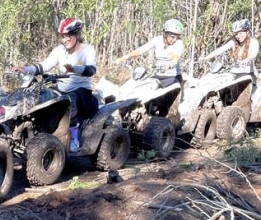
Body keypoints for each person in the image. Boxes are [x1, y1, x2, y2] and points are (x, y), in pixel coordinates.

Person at [14, 18, 98, 151]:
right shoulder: (59, 50)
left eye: (68, 36)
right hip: (61, 87)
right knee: (42, 97)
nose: (65, 40)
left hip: (81, 90)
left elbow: (91, 70)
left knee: (70, 102)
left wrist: (75, 69)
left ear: (77, 35)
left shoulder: (88, 50)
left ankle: (74, 138)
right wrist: (26, 69)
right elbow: (45, 65)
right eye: (63, 37)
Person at [116, 19, 185, 87]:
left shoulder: (179, 43)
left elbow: (176, 56)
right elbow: (142, 49)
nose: (174, 40)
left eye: (177, 37)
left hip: (173, 77)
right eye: (172, 37)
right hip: (158, 75)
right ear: (166, 34)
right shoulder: (157, 40)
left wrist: (171, 64)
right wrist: (126, 57)